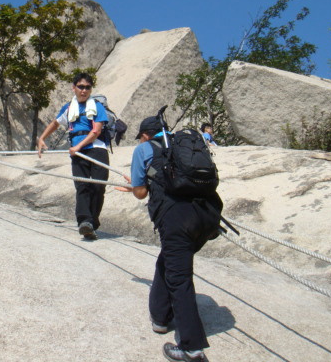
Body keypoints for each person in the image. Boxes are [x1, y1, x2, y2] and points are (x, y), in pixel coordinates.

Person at [117, 116, 220, 362]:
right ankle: (160, 319)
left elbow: (140, 193)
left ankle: (191, 349)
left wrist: (135, 185)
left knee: (179, 279)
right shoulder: (183, 147)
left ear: (145, 135)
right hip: (207, 217)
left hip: (177, 221)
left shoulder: (144, 149)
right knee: (168, 262)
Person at [37, 73, 109, 240]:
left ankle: (93, 223)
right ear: (74, 87)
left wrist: (78, 146)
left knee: (98, 187)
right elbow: (56, 123)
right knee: (82, 187)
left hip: (97, 150)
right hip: (77, 152)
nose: (84, 90)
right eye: (80, 87)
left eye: (87, 87)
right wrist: (42, 138)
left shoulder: (97, 107)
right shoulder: (69, 107)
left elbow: (96, 131)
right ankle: (85, 222)